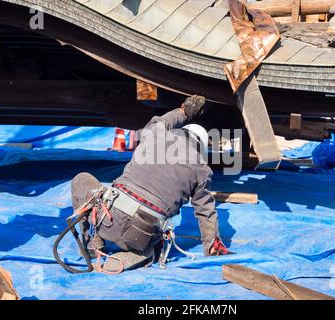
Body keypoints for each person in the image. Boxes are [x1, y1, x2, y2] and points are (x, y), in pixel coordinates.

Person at [71, 95, 231, 272]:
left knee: (81, 179)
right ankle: (142, 252)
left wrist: (184, 112)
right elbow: (205, 211)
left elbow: (163, 121)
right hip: (143, 236)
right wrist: (212, 247)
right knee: (153, 225)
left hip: (107, 221)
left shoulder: (156, 133)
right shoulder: (202, 169)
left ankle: (93, 246)